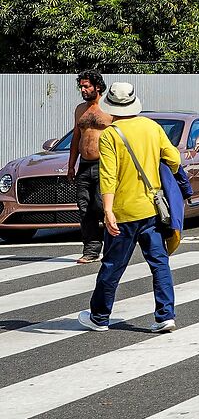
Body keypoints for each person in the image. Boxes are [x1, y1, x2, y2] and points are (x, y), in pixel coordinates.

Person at [81, 80, 188, 332]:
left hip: (123, 211)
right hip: (153, 209)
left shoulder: (110, 134)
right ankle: (165, 316)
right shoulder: (152, 127)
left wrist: (107, 210)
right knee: (159, 263)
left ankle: (99, 317)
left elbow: (108, 175)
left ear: (111, 106)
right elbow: (173, 158)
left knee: (112, 265)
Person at [66, 69, 110, 271]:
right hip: (84, 165)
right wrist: (71, 165)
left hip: (105, 164)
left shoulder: (109, 109)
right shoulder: (80, 110)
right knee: (84, 207)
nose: (83, 90)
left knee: (102, 206)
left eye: (87, 86)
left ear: (97, 87)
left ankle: (111, 247)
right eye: (81, 86)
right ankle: (91, 249)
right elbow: (76, 137)